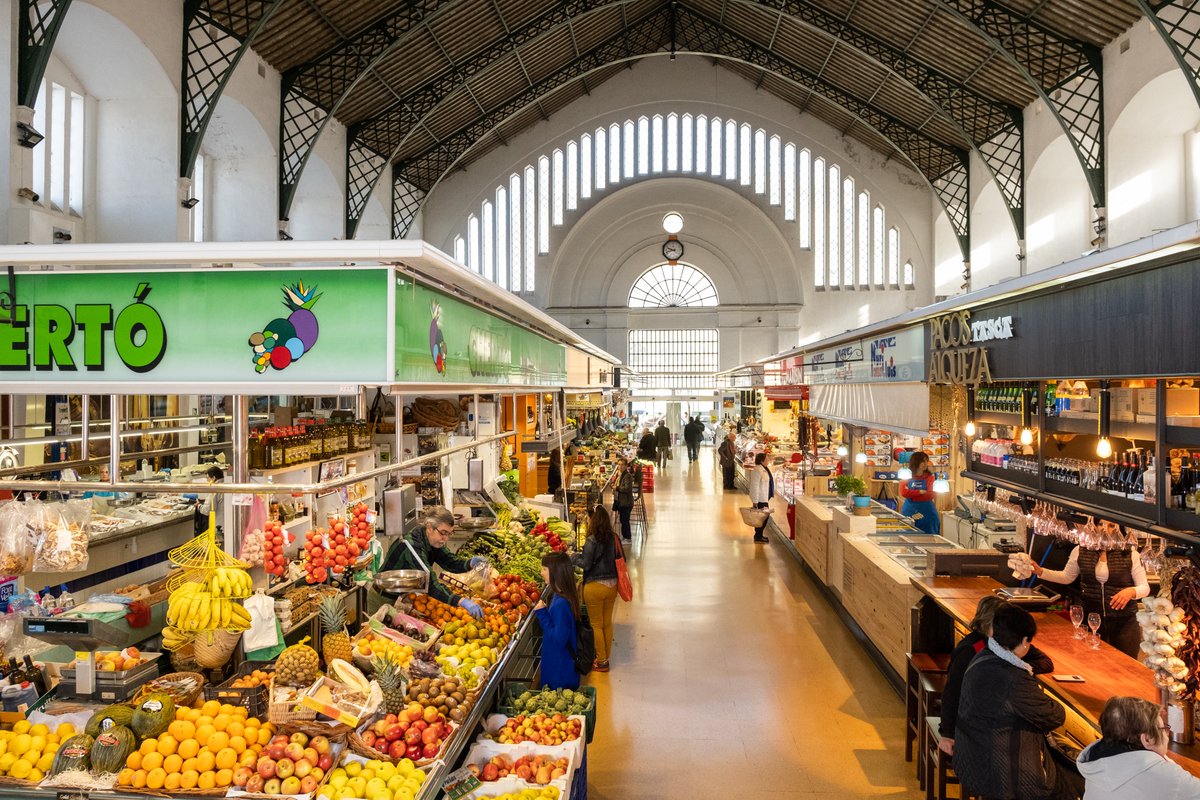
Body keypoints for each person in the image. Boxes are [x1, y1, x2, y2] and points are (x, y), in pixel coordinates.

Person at [954, 604, 1081, 800]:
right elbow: (1054, 715)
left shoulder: (983, 656)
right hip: (1004, 772)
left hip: (974, 758)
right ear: (1023, 641)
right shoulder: (1012, 677)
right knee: (1076, 782)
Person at [938, 596, 1054, 756]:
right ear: (988, 623)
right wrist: (948, 734)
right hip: (968, 723)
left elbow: (1046, 662)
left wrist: (1022, 665)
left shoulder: (1008, 643)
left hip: (994, 721)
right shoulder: (971, 649)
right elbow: (952, 692)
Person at [1030, 543, 1149, 658]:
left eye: (1112, 526)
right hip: (1092, 619)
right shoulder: (1080, 550)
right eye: (1101, 524)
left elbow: (1145, 587)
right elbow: (1066, 577)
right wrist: (1040, 572)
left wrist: (1131, 592)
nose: (1105, 529)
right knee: (1094, 661)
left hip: (1124, 622)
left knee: (1127, 665)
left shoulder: (1130, 553)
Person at [1077, 696, 1200, 799]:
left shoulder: (1095, 762)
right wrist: (1168, 767)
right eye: (1164, 729)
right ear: (1147, 739)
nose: (1167, 736)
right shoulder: (1168, 777)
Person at [376, 506, 486, 618]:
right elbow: (430, 584)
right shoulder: (413, 545)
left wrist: (470, 563)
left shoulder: (431, 539)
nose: (445, 538)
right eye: (443, 533)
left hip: (402, 597)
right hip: (383, 599)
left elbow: (449, 562)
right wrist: (461, 601)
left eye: (448, 534)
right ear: (429, 527)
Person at [572, 506, 619, 672]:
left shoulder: (591, 541)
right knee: (607, 622)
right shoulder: (614, 537)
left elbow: (585, 564)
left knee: (597, 625)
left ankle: (601, 661)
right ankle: (606, 656)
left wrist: (573, 557)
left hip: (594, 587)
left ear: (594, 521)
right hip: (612, 585)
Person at [534, 552, 582, 690]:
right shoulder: (562, 595)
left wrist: (542, 613)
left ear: (555, 572)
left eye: (544, 569)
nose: (541, 573)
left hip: (559, 672)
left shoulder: (561, 603)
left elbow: (558, 639)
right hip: (561, 666)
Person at [899, 451, 940, 535]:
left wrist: (912, 494)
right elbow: (904, 493)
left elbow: (930, 495)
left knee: (930, 538)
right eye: (922, 461)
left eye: (926, 461)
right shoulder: (906, 475)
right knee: (909, 537)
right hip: (909, 511)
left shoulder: (930, 477)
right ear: (916, 462)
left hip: (927, 512)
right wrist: (920, 492)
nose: (925, 464)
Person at [748, 451, 774, 543]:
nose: (768, 460)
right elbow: (754, 486)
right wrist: (755, 501)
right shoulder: (757, 470)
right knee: (762, 517)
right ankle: (758, 536)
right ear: (762, 461)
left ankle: (759, 535)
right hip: (760, 498)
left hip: (764, 497)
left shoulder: (765, 468)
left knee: (763, 517)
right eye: (767, 459)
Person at [613, 457, 637, 541]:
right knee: (623, 520)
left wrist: (617, 488)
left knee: (625, 521)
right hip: (622, 502)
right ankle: (625, 537)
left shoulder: (627, 476)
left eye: (622, 465)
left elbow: (627, 489)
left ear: (626, 466)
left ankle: (627, 538)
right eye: (619, 465)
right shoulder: (620, 475)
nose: (620, 466)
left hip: (626, 503)